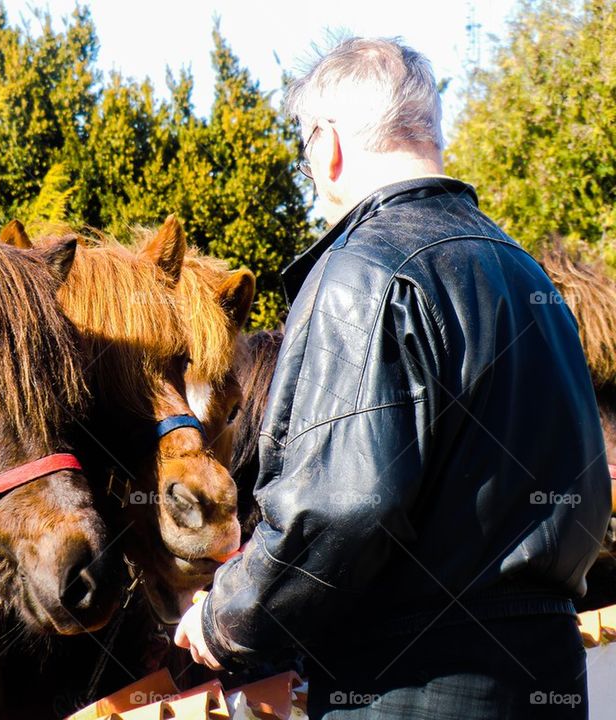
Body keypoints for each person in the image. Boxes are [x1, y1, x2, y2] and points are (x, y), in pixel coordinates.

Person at [175, 37, 611, 719]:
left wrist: (225, 618)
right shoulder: (525, 272)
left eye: (306, 147)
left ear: (330, 148)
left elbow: (341, 509)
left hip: (406, 687)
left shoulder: (364, 270)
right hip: (550, 678)